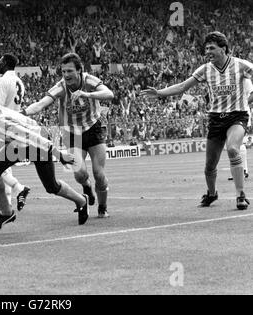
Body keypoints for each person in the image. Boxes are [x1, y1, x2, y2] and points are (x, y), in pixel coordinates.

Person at [141, 31, 253, 210]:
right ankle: (211, 193)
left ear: (223, 49)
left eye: (212, 48)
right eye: (206, 48)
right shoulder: (205, 69)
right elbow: (183, 86)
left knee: (232, 148)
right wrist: (160, 93)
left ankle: (240, 195)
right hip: (216, 119)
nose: (207, 51)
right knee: (210, 166)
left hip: (237, 116)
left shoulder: (241, 65)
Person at [0, 90, 89, 230]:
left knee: (51, 186)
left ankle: (82, 200)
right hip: (20, 144)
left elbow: (32, 137)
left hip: (37, 142)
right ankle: (7, 213)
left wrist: (59, 155)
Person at [21, 53, 114, 218]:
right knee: (80, 174)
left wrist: (87, 94)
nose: (66, 75)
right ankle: (86, 186)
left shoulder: (89, 81)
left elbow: (109, 94)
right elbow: (42, 104)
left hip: (93, 127)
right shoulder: (61, 87)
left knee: (99, 174)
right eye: (63, 71)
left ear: (79, 70)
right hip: (71, 132)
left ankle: (102, 207)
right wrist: (23, 113)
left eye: (70, 71)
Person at [0, 53, 30, 211]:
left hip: (4, 126)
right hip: (16, 125)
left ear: (6, 63)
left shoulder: (2, 81)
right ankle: (6, 204)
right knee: (5, 166)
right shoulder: (19, 81)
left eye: (0, 61)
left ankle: (19, 188)